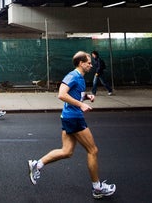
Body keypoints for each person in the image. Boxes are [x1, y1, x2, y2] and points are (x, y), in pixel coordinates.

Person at [27, 51, 116, 199]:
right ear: (81, 63)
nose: (90, 65)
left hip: (69, 117)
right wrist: (81, 104)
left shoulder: (79, 78)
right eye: (88, 62)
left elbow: (74, 94)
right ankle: (97, 188)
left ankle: (37, 164)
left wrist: (86, 96)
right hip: (74, 118)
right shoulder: (73, 76)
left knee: (67, 151)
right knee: (93, 150)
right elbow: (61, 94)